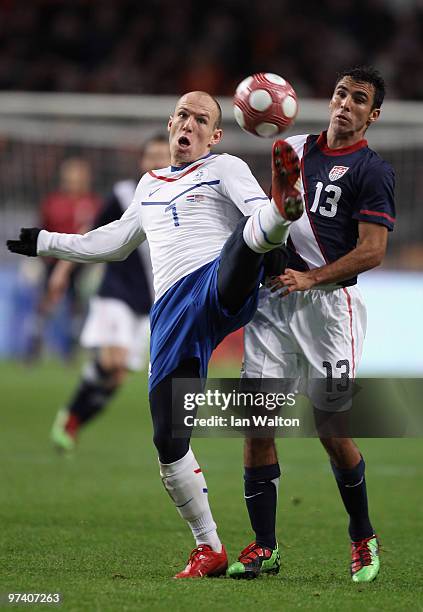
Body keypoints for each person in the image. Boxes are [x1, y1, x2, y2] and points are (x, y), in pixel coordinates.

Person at [7, 90, 304, 578]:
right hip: (170, 314)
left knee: (249, 236)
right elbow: (113, 243)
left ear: (215, 134)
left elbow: (251, 212)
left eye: (201, 119)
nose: (190, 123)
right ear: (171, 124)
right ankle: (209, 548)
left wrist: (274, 221)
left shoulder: (224, 167)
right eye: (183, 115)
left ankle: (284, 209)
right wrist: (46, 242)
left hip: (214, 281)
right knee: (168, 439)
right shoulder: (147, 185)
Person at [226, 67, 395, 583]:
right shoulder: (293, 149)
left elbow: (373, 251)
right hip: (275, 303)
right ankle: (265, 547)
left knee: (331, 429)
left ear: (373, 114)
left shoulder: (373, 171)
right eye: (341, 93)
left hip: (330, 310)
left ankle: (363, 538)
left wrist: (312, 277)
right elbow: (267, 218)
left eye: (358, 99)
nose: (345, 103)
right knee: (257, 425)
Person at [49, 135, 170, 452]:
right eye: (151, 156)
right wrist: (63, 270)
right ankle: (70, 418)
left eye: (163, 156)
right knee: (112, 359)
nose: (157, 162)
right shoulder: (123, 194)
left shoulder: (182, 196)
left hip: (151, 301)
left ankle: (73, 420)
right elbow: (90, 234)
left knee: (116, 376)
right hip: (117, 291)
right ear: (141, 162)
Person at [26, 158, 101, 362]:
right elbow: (41, 230)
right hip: (53, 262)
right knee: (45, 305)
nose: (74, 181)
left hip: (82, 264)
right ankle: (33, 347)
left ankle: (73, 348)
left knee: (79, 306)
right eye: (70, 177)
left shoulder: (94, 203)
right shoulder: (53, 202)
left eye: (78, 177)